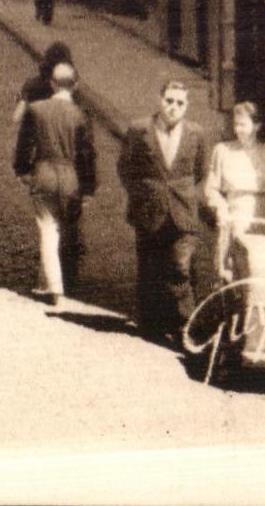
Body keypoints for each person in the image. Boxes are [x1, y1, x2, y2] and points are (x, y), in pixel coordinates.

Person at [117, 79, 209, 346]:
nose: (173, 107)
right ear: (160, 100)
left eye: (180, 103)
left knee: (180, 267)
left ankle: (186, 325)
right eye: (169, 101)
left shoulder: (196, 133)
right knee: (149, 267)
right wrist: (142, 194)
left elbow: (200, 172)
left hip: (182, 212)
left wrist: (186, 194)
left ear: (187, 106)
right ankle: (152, 324)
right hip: (149, 209)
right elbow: (125, 167)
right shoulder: (139, 129)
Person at [13, 62, 96, 307]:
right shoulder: (81, 115)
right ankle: (56, 281)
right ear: (76, 85)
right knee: (67, 229)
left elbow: (24, 145)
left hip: (45, 173)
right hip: (70, 176)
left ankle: (54, 286)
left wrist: (22, 170)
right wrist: (89, 187)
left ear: (51, 83)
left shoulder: (37, 110)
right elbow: (87, 154)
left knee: (48, 231)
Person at [204, 100, 265, 281]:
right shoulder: (222, 151)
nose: (238, 129)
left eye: (243, 125)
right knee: (232, 274)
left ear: (257, 126)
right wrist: (221, 208)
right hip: (233, 220)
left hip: (263, 221)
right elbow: (211, 188)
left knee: (260, 272)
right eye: (236, 124)